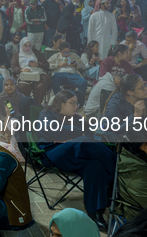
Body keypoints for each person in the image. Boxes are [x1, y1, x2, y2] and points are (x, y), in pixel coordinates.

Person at [37, 90, 116, 229]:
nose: (76, 106)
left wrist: (75, 137)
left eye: (77, 103)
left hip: (74, 156)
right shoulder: (46, 114)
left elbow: (91, 132)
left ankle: (95, 212)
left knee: (95, 165)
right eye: (72, 103)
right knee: (86, 142)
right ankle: (117, 173)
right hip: (50, 153)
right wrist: (78, 135)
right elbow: (55, 131)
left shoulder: (76, 117)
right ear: (61, 103)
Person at [103, 74, 147, 142]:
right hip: (119, 139)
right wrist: (135, 116)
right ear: (130, 92)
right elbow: (116, 130)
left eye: (144, 85)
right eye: (142, 87)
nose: (146, 89)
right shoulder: (115, 103)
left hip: (139, 135)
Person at [11, 36, 50, 105]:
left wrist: (37, 64)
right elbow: (13, 67)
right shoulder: (16, 54)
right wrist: (21, 69)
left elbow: (46, 64)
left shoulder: (36, 53)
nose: (27, 48)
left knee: (40, 86)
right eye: (25, 46)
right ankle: (26, 106)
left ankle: (36, 106)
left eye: (29, 46)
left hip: (37, 75)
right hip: (23, 76)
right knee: (22, 87)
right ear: (21, 45)